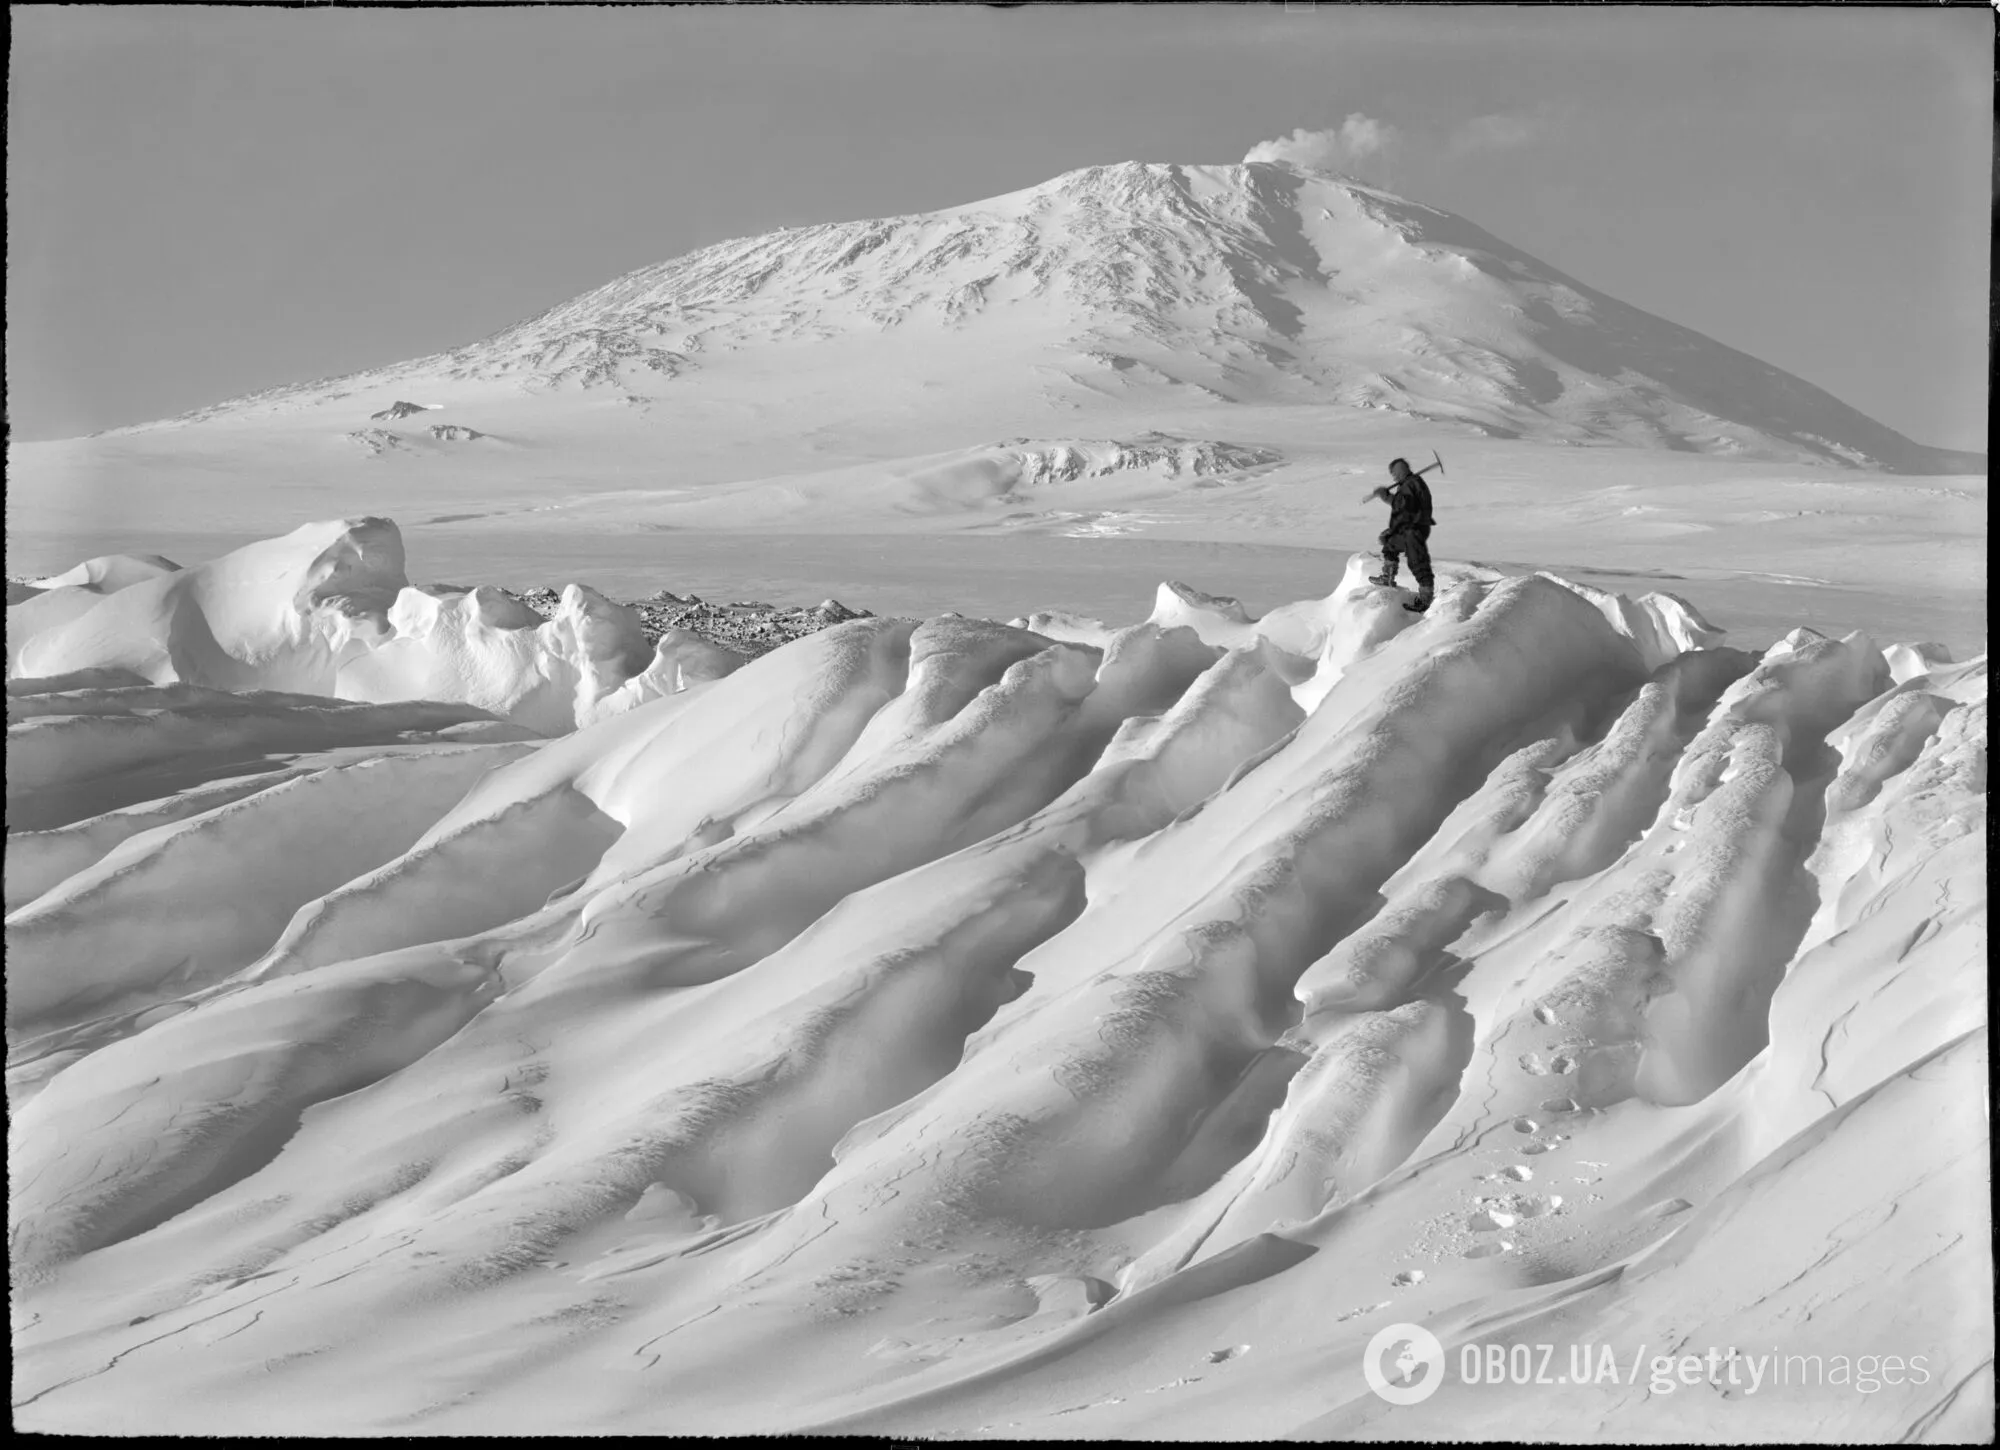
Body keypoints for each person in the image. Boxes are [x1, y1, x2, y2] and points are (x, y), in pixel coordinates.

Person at [1368, 457, 1435, 612]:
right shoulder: (1409, 484)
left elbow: (1404, 507)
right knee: (1390, 544)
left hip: (1414, 530)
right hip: (1410, 528)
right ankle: (1388, 578)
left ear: (1401, 471)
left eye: (1395, 474)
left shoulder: (1412, 484)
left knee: (1417, 561)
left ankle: (1425, 600)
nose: (1394, 478)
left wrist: (1385, 496)